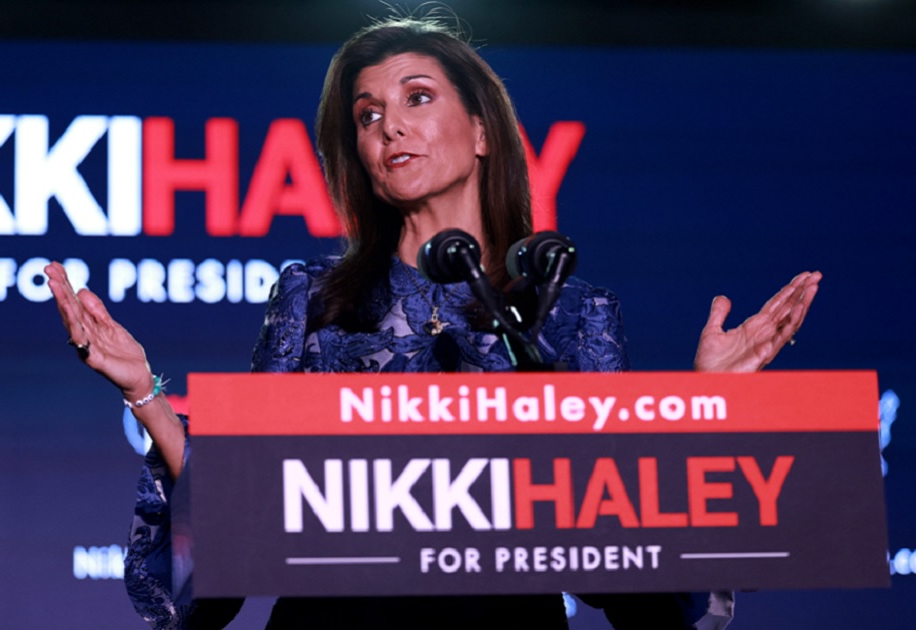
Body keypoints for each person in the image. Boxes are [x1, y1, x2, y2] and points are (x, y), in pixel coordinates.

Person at [45, 16, 819, 630]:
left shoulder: (573, 312)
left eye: (418, 98)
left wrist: (704, 405)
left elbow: (616, 556)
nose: (389, 128)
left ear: (484, 132)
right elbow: (241, 517)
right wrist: (145, 392)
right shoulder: (313, 298)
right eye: (369, 114)